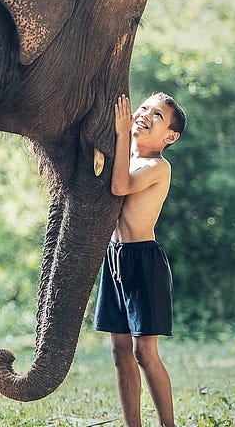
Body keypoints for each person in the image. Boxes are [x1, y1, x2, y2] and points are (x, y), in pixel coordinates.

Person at [94, 92, 187, 427]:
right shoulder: (125, 156)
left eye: (157, 116)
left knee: (144, 353)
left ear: (170, 137)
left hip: (143, 261)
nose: (145, 114)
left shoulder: (157, 166)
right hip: (115, 258)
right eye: (144, 108)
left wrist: (121, 133)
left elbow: (120, 186)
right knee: (120, 351)